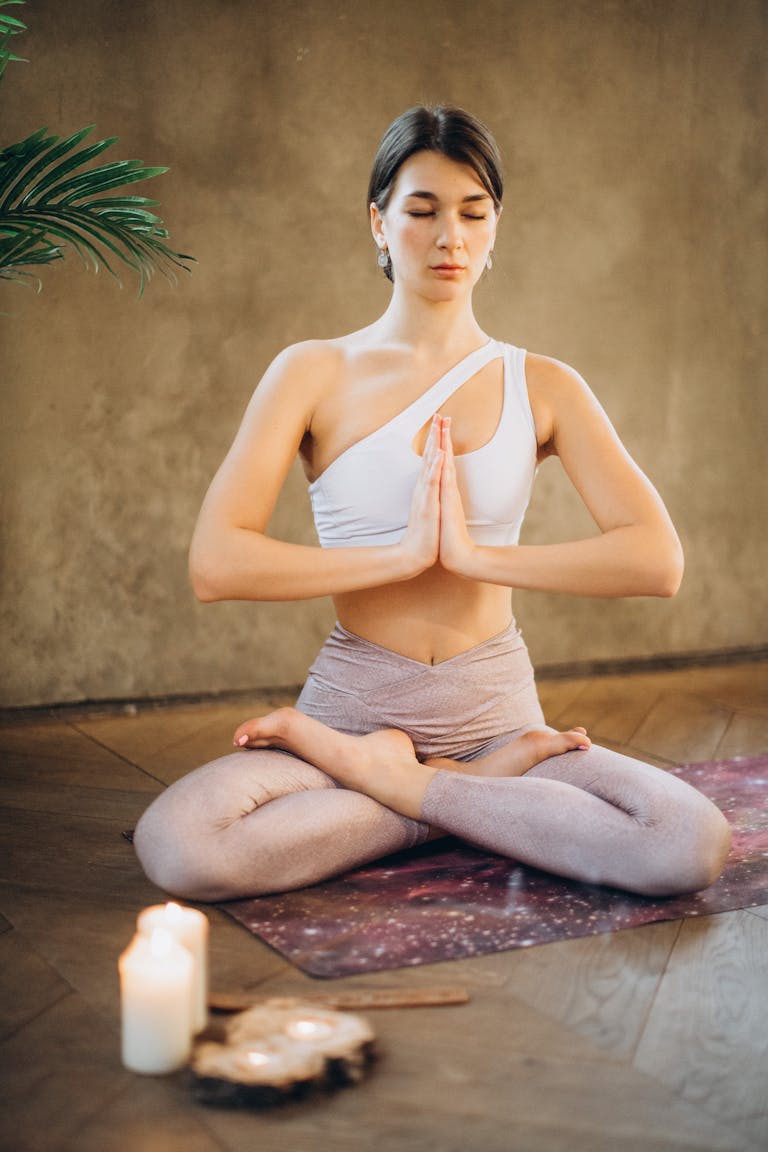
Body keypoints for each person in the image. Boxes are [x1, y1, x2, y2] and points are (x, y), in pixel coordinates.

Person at [133, 106, 731, 902]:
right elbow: (216, 562)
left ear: (494, 231)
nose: (450, 236)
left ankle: (407, 790)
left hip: (498, 713)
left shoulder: (544, 384)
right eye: (421, 212)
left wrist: (477, 557)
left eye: (472, 213)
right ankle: (476, 793)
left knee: (687, 845)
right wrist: (401, 556)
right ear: (378, 223)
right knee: (182, 848)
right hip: (351, 707)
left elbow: (656, 560)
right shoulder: (310, 371)